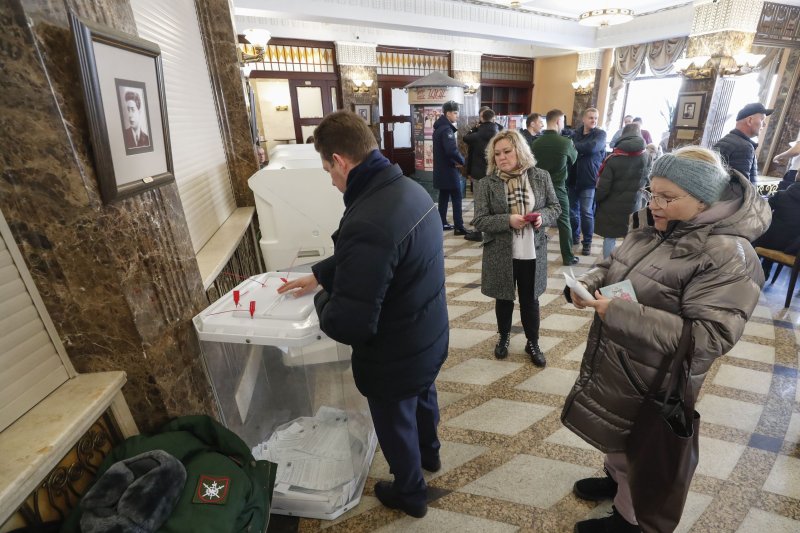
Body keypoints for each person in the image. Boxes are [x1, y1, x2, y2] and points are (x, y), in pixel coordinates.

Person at [561, 146, 770, 532]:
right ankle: (615, 481)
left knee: (641, 445)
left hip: (656, 376)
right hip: (622, 358)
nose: (655, 204)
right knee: (619, 433)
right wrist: (589, 283)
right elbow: (618, 263)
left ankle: (630, 517)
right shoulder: (657, 225)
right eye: (651, 193)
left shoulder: (727, 254)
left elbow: (710, 337)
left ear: (704, 200)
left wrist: (620, 313)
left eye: (668, 198)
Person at [277, 111, 449, 519]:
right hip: (426, 331)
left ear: (340, 160)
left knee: (395, 420)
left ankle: (411, 493)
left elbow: (348, 324)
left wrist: (319, 302)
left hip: (394, 350)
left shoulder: (369, 215)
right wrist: (321, 275)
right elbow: (380, 255)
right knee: (423, 395)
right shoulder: (406, 188)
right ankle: (431, 456)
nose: (332, 181)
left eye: (327, 170)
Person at [472, 130, 561, 367]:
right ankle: (503, 337)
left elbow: (555, 207)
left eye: (507, 152)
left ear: (519, 151)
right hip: (502, 251)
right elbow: (480, 220)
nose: (502, 157)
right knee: (504, 298)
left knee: (530, 299)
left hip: (532, 250)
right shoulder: (486, 184)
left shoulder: (540, 177)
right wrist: (507, 220)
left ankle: (533, 342)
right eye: (497, 154)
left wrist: (542, 216)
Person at [594, 123, 651, 258]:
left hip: (611, 206)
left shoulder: (614, 158)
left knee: (609, 237)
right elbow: (647, 180)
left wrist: (596, 200)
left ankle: (607, 267)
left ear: (623, 135)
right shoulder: (646, 156)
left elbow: (603, 187)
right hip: (634, 205)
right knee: (629, 238)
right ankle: (623, 266)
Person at [531, 108, 579, 265]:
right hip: (557, 187)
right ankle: (568, 257)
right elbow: (574, 159)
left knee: (538, 220)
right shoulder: (565, 142)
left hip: (538, 187)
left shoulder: (536, 143)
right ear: (559, 121)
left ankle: (533, 255)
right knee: (564, 221)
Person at [568, 107, 607, 256]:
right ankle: (575, 237)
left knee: (586, 212)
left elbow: (592, 148)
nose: (593, 120)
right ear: (583, 119)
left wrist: (575, 147)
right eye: (591, 117)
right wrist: (577, 148)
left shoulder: (600, 134)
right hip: (573, 178)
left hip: (589, 179)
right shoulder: (575, 134)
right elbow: (569, 150)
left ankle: (587, 243)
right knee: (572, 213)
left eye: (596, 118)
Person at [463, 107, 501, 242]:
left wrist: (475, 128)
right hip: (495, 173)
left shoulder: (477, 134)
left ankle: (478, 231)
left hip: (479, 173)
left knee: (479, 202)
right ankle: (493, 228)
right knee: (493, 201)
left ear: (481, 118)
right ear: (493, 118)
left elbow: (465, 137)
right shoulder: (499, 133)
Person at [714, 102, 774, 183]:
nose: (764, 124)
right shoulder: (744, 147)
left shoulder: (726, 140)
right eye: (762, 119)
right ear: (749, 120)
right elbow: (741, 188)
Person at [433, 100, 468, 235]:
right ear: (448, 114)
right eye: (455, 113)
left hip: (441, 170)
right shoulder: (446, 130)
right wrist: (462, 160)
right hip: (448, 170)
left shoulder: (439, 128)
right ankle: (459, 226)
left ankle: (441, 222)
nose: (457, 115)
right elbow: (451, 150)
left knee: (443, 196)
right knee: (457, 197)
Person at [752, 175, 800, 263]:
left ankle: (752, 266)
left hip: (769, 241)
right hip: (792, 248)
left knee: (757, 235)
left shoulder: (781, 195)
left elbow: (762, 213)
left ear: (796, 176)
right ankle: (765, 268)